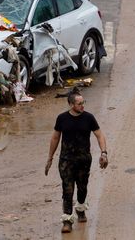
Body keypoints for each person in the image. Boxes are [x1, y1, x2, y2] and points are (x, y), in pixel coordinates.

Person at [45, 91, 108, 233]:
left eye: (83, 103)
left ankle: (80, 208)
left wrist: (104, 153)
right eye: (79, 104)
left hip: (84, 160)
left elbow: (99, 135)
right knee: (67, 190)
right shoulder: (62, 119)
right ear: (71, 104)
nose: (82, 106)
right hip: (66, 160)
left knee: (82, 187)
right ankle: (67, 220)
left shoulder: (89, 118)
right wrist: (50, 158)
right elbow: (55, 138)